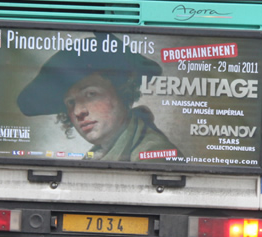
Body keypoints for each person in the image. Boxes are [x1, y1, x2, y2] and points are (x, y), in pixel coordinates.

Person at [17, 38, 181, 162]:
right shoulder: (101, 153)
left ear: (122, 91)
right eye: (70, 102)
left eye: (91, 94)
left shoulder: (151, 154)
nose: (78, 112)